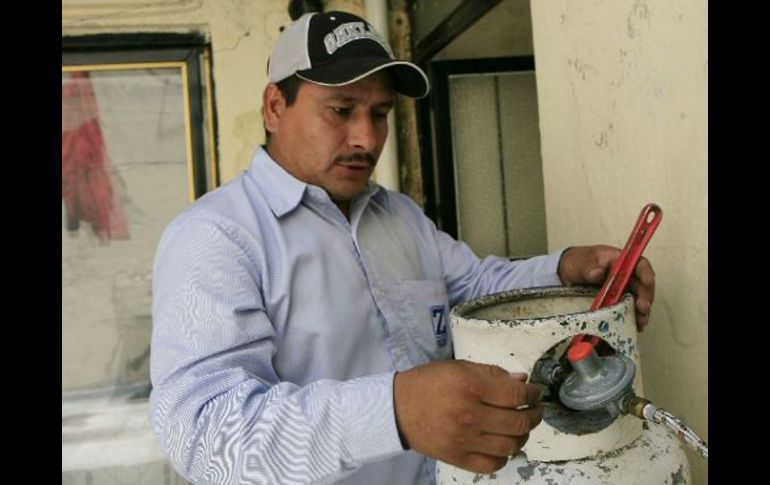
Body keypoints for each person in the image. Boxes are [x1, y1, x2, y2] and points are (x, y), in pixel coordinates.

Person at [149, 10, 655, 485]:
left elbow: (474, 288)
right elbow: (204, 432)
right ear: (275, 107)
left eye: (381, 113)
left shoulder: (398, 216)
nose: (367, 139)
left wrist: (566, 269)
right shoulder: (217, 237)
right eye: (341, 110)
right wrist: (394, 411)